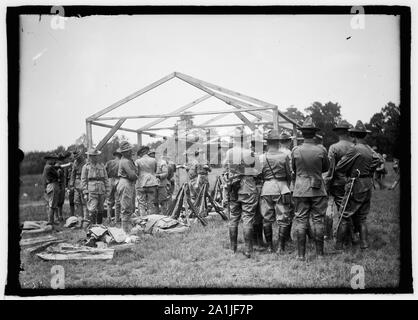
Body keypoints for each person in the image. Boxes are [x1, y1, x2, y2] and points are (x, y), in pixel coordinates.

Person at [334, 121, 379, 250]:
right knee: (362, 217)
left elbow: (340, 167)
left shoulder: (355, 149)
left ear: (353, 135)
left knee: (344, 214)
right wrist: (369, 170)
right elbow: (378, 159)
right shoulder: (369, 149)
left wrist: (352, 168)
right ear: (364, 135)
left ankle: (338, 246)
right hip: (367, 183)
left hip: (356, 184)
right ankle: (364, 245)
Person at [291, 117, 330, 260]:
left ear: (302, 134)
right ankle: (320, 255)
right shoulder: (321, 150)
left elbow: (294, 169)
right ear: (314, 134)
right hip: (318, 189)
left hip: (300, 189)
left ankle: (301, 255)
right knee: (318, 220)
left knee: (301, 221)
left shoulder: (295, 150)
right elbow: (326, 168)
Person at [224, 127, 258, 258]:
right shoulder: (249, 153)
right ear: (245, 139)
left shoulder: (229, 152)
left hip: (233, 187)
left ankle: (233, 248)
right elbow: (257, 171)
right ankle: (248, 249)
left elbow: (227, 168)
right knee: (248, 218)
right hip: (247, 187)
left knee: (233, 218)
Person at [259, 130, 293, 254]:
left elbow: (259, 174)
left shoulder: (262, 157)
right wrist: (286, 185)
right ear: (278, 142)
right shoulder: (284, 156)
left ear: (267, 143)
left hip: (267, 188)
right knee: (283, 218)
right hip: (282, 187)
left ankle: (269, 246)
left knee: (267, 218)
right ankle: (281, 247)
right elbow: (289, 174)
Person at [324, 120, 354, 241]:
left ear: (338, 132)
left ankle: (329, 234)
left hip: (336, 183)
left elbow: (330, 169)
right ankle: (349, 234)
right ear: (348, 132)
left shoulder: (334, 147)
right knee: (347, 208)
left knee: (329, 208)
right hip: (351, 182)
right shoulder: (354, 147)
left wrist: (327, 182)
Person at [81, 148, 109, 225]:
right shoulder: (86, 167)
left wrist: (107, 190)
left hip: (101, 190)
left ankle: (99, 226)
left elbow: (106, 179)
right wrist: (85, 192)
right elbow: (83, 180)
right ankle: (92, 226)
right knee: (92, 209)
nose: (95, 157)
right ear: (90, 157)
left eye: (96, 156)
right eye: (93, 156)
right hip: (92, 190)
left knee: (101, 208)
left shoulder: (102, 166)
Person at [117, 141, 138, 233]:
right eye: (128, 151)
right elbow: (132, 175)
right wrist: (137, 175)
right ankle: (125, 231)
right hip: (126, 183)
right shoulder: (125, 161)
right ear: (123, 153)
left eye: (130, 150)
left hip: (129, 183)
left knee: (130, 207)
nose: (130, 152)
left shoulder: (128, 160)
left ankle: (127, 229)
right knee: (126, 208)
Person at [135, 146, 159, 216]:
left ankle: (143, 220)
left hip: (141, 183)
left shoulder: (138, 161)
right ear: (146, 152)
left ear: (141, 153)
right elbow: (155, 171)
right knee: (151, 203)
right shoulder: (153, 160)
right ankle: (150, 221)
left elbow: (136, 172)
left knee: (141, 203)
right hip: (152, 182)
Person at [69, 150, 88, 219]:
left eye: (78, 157)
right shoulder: (75, 162)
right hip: (77, 183)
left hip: (84, 182)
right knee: (76, 201)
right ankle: (80, 217)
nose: (77, 158)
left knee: (84, 201)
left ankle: (86, 218)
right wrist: (71, 184)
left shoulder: (86, 161)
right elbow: (73, 174)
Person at [42, 153, 60, 225]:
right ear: (49, 159)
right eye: (53, 159)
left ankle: (51, 220)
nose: (54, 160)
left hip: (49, 185)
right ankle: (51, 221)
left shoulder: (46, 167)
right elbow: (57, 174)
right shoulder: (50, 167)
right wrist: (58, 170)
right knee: (52, 205)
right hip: (53, 185)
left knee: (50, 204)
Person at [105, 150, 122, 225]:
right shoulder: (122, 162)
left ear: (115, 155)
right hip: (119, 180)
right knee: (118, 201)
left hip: (110, 180)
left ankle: (109, 218)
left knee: (109, 201)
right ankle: (117, 219)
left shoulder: (109, 162)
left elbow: (105, 172)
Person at [151, 150, 170, 215]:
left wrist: (158, 176)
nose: (152, 156)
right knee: (154, 202)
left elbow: (165, 173)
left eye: (154, 154)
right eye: (151, 155)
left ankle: (164, 216)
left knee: (163, 201)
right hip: (153, 185)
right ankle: (156, 217)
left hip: (161, 185)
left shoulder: (162, 163)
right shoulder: (151, 163)